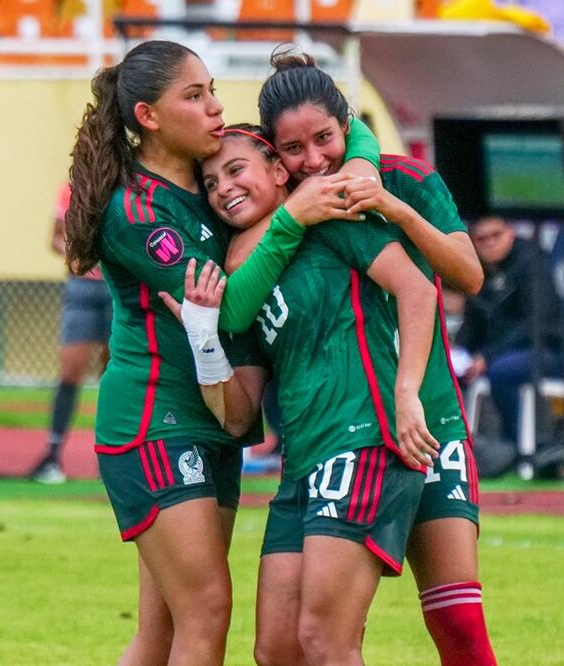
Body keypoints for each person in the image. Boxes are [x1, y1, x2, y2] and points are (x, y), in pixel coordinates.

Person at [64, 41, 367, 664]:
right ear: (149, 117)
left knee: (162, 634)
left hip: (214, 421)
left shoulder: (218, 172)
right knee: (205, 611)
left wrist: (327, 111)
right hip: (156, 422)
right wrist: (293, 218)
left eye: (213, 90)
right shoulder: (137, 210)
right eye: (195, 95)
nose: (216, 108)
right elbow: (223, 305)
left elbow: (334, 141)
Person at [166, 123, 440, 666]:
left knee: (326, 640)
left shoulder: (328, 217)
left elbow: (417, 288)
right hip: (303, 463)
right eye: (211, 181)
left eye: (235, 170)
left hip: (364, 441)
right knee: (277, 650)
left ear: (276, 171)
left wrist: (407, 392)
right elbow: (238, 414)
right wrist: (202, 337)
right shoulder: (239, 277)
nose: (223, 188)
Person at [257, 50, 497, 665]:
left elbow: (467, 273)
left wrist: (392, 207)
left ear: (348, 127)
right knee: (325, 635)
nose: (314, 160)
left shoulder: (406, 179)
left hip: (430, 422)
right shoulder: (287, 215)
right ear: (272, 153)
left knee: (459, 624)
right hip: (346, 433)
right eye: (292, 149)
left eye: (325, 138)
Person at [456, 216, 564, 449]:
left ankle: (514, 446)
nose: (489, 243)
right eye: (481, 238)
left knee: (502, 370)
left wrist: (487, 357)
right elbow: (472, 323)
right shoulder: (476, 269)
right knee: (447, 369)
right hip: (493, 353)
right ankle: (454, 446)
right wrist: (459, 353)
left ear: (510, 233)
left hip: (543, 349)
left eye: (496, 235)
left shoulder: (532, 262)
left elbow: (536, 323)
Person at [28, 183, 110, 484]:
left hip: (118, 289)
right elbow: (56, 239)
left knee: (113, 376)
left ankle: (111, 459)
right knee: (69, 372)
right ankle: (51, 456)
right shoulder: (71, 189)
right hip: (83, 286)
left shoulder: (123, 186)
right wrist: (76, 253)